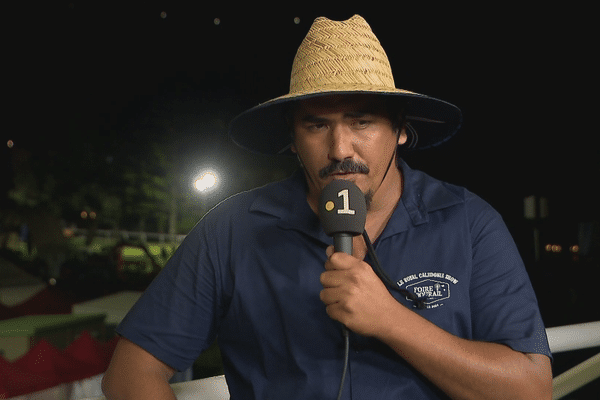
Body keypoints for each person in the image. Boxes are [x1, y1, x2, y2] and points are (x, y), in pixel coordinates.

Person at [102, 15, 552, 399]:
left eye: (362, 121)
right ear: (293, 139)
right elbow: (129, 374)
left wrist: (392, 320)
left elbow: (531, 389)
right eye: (317, 124)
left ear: (400, 130)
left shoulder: (469, 222)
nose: (340, 148)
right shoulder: (233, 229)